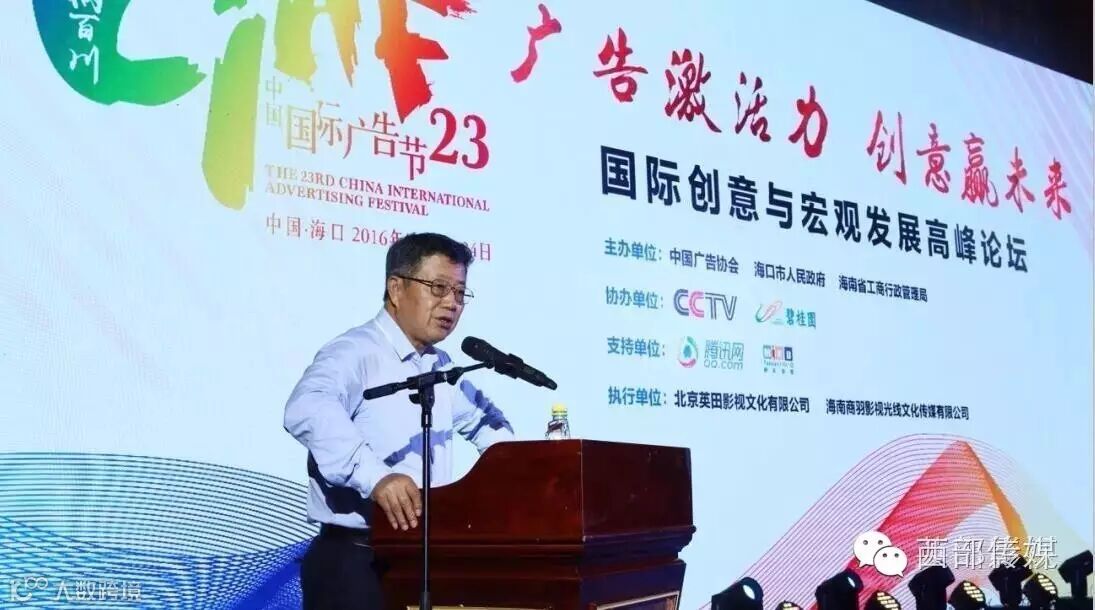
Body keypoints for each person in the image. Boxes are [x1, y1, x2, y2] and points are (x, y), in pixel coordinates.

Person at [283, 232, 515, 609]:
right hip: (356, 562)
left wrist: (527, 471)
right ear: (396, 288)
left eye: (460, 293)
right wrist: (377, 477)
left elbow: (486, 424)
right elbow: (306, 407)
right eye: (438, 288)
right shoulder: (355, 351)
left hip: (421, 560)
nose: (451, 303)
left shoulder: (439, 366)